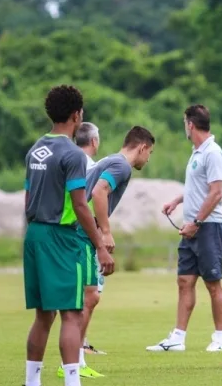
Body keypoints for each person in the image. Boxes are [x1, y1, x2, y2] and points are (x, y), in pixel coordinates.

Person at [22, 85, 114, 386]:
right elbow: (79, 204)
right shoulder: (72, 154)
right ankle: (72, 382)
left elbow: (27, 200)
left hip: (34, 234)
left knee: (42, 315)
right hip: (60, 238)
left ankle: (32, 382)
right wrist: (100, 244)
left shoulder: (35, 149)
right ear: (77, 115)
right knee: (72, 314)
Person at [58, 126, 155, 379]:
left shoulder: (109, 160)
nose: (149, 158)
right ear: (142, 147)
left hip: (80, 232)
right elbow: (99, 192)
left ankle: (75, 360)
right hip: (82, 233)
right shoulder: (121, 166)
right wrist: (105, 231)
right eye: (150, 153)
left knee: (89, 296)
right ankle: (71, 363)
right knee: (88, 297)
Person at [146, 104, 222, 353]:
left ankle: (220, 338)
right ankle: (178, 338)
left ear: (190, 124)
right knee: (184, 280)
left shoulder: (213, 152)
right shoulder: (197, 152)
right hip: (192, 227)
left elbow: (216, 192)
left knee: (213, 283)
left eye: (185, 123)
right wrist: (176, 201)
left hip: (208, 227)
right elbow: (197, 188)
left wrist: (197, 223)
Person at [74, 121, 104, 356]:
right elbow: (90, 202)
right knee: (90, 293)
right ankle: (78, 349)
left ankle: (80, 344)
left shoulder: (66, 161)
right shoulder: (92, 167)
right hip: (83, 234)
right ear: (94, 141)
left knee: (80, 293)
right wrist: (102, 235)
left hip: (61, 234)